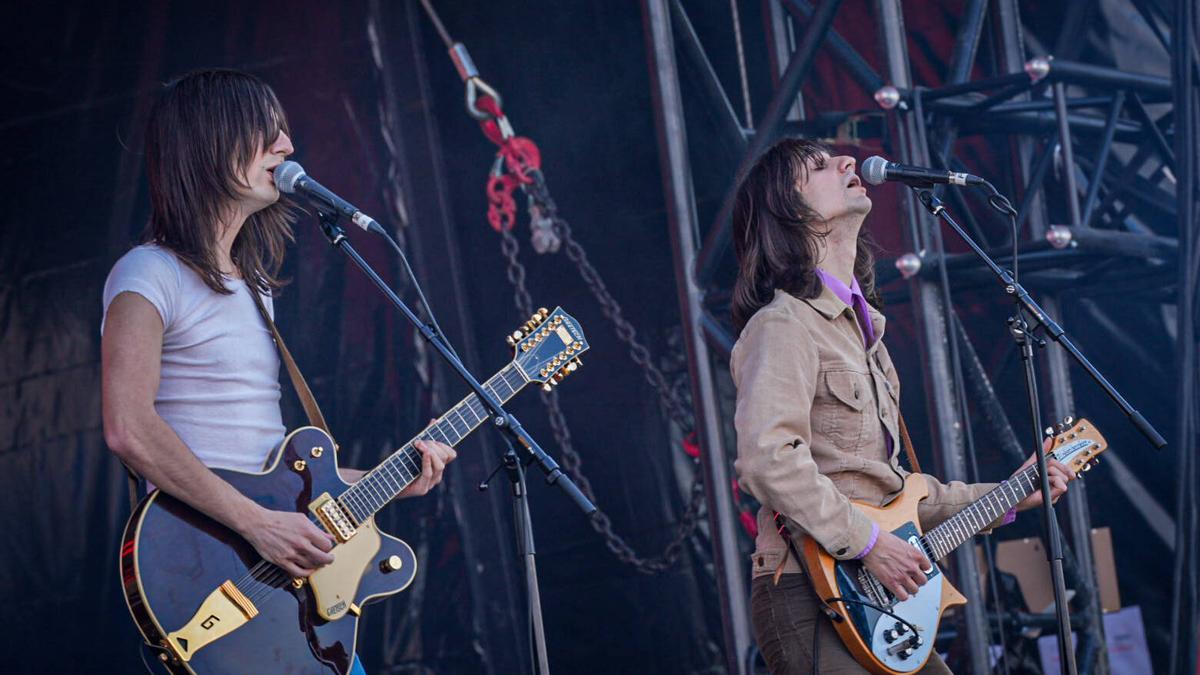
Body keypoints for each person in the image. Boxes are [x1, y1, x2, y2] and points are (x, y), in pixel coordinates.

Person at [100, 69, 457, 674]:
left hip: (278, 586)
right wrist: (259, 526)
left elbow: (270, 465)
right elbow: (129, 429)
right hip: (213, 565)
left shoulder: (255, 287)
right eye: (267, 134)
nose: (288, 147)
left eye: (284, 133)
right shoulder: (147, 274)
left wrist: (390, 478)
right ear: (211, 144)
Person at [729, 138, 1075, 674]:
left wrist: (1013, 493)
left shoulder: (868, 338)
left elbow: (903, 497)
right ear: (788, 210)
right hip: (809, 594)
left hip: (873, 601)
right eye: (819, 166)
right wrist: (868, 543)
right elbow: (768, 459)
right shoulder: (783, 324)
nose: (848, 161)